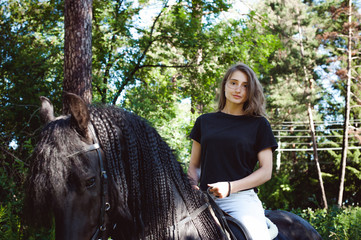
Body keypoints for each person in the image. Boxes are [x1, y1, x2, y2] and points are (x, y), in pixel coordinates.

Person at [188, 63, 278, 240]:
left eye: (245, 85)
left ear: (251, 90)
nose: (239, 89)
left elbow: (266, 171)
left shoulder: (259, 124)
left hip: (240, 201)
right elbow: (194, 166)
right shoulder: (204, 121)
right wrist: (192, 187)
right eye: (233, 83)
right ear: (224, 86)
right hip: (202, 201)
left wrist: (230, 187)